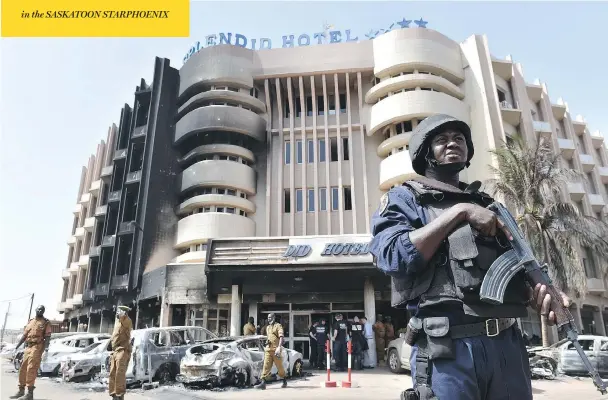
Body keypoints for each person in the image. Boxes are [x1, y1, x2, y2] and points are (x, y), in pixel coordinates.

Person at [369, 114, 570, 400]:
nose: (453, 143)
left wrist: (539, 293)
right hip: (448, 349)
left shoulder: (490, 206)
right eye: (442, 140)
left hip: (507, 347)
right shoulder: (405, 198)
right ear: (425, 152)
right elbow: (392, 255)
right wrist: (459, 213)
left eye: (459, 138)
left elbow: (518, 266)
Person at [10, 305, 52, 400]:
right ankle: (21, 391)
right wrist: (16, 347)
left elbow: (48, 337)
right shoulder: (31, 321)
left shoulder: (46, 322)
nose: (40, 310)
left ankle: (30, 394)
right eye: (39, 309)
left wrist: (46, 350)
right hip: (28, 347)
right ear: (35, 310)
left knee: (31, 369)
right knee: (23, 368)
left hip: (37, 347)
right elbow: (24, 336)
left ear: (44, 311)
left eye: (42, 309)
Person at [256, 313, 287, 389]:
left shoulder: (278, 326)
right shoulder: (268, 327)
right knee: (266, 366)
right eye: (268, 318)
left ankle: (284, 380)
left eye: (270, 317)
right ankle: (263, 383)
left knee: (280, 368)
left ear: (274, 317)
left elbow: (281, 337)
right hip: (268, 350)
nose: (269, 319)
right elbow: (269, 337)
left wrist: (279, 347)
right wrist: (267, 342)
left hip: (276, 350)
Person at [109, 305, 133, 400]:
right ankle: (113, 394)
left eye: (120, 311)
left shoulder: (126, 321)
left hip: (123, 351)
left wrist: (124, 315)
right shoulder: (118, 322)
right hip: (115, 351)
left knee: (120, 374)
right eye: (118, 311)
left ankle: (120, 395)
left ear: (124, 313)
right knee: (112, 373)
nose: (117, 312)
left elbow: (127, 324)